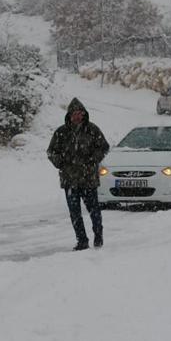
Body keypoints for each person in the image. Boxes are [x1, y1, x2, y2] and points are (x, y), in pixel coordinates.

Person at [47, 98, 110, 250]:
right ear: (69, 115)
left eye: (79, 113)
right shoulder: (61, 132)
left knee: (94, 210)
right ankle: (82, 240)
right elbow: (51, 152)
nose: (77, 116)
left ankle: (98, 235)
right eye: (74, 113)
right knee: (75, 213)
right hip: (70, 180)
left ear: (83, 114)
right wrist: (60, 161)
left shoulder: (92, 130)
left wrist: (93, 159)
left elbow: (104, 147)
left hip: (88, 179)